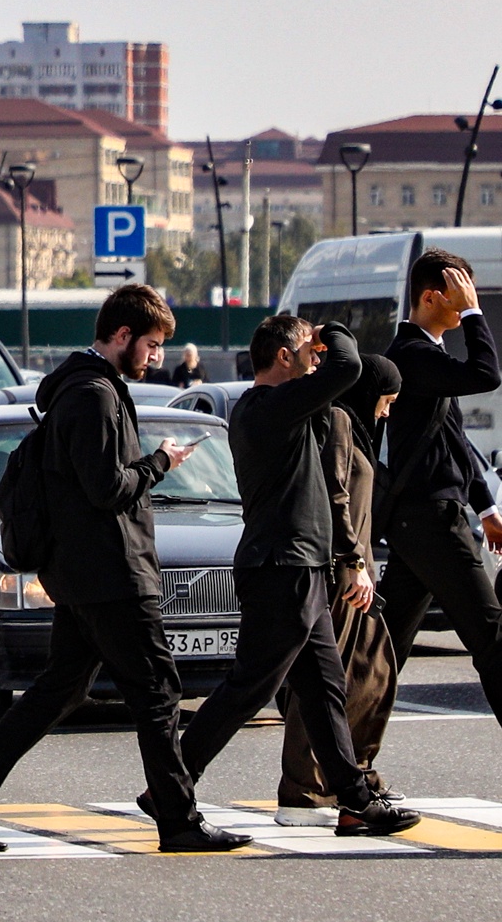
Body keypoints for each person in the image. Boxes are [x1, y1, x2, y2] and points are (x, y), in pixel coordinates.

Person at [0, 285, 247, 854]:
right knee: (156, 690)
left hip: (85, 573)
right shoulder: (94, 396)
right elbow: (107, 490)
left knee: (60, 689)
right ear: (122, 336)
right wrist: (161, 462)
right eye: (151, 345)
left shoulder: (79, 391)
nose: (157, 358)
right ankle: (178, 822)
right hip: (111, 572)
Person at [174, 316, 419, 837]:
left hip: (299, 565)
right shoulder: (267, 407)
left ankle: (354, 803)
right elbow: (349, 366)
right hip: (281, 568)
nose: (315, 356)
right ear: (283, 357)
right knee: (248, 688)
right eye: (306, 349)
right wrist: (331, 330)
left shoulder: (289, 410)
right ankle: (171, 785)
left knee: (326, 688)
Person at [276, 352, 405, 825]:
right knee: (321, 685)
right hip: (338, 572)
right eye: (386, 400)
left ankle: (356, 781)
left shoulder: (354, 426)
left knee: (373, 673)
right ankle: (305, 792)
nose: (386, 411)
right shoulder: (337, 423)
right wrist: (351, 564)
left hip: (359, 570)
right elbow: (336, 495)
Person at [379, 251, 502, 726]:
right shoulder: (412, 354)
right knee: (491, 636)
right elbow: (487, 374)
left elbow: (452, 437)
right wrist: (474, 313)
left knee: (384, 650)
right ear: (432, 297)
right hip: (430, 519)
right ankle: (339, 760)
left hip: (422, 519)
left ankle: (342, 760)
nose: (467, 302)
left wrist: (486, 508)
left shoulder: (426, 356)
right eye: (459, 294)